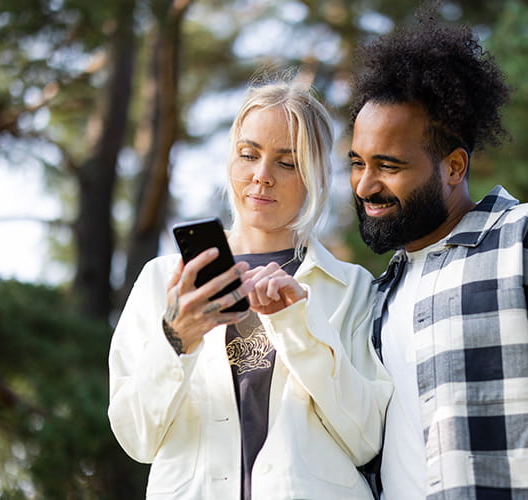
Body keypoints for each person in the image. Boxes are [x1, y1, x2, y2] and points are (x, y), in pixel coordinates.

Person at [347, 19, 528, 500]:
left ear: (454, 167)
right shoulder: (375, 299)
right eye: (357, 162)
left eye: (389, 165)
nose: (364, 185)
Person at [108, 79, 392, 500]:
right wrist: (176, 338)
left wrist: (298, 327)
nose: (262, 176)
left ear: (314, 174)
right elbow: (137, 439)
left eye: (287, 162)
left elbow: (366, 439)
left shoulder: (352, 288)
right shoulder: (162, 280)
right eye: (249, 155)